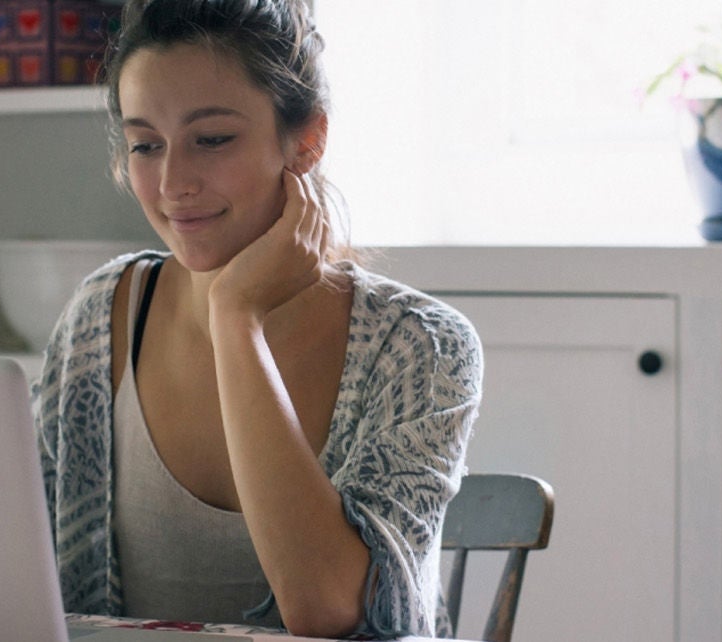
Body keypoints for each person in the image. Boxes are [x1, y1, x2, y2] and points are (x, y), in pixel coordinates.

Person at [32, 0, 483, 637]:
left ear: (306, 140)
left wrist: (236, 317)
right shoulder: (97, 319)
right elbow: (14, 570)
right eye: (145, 145)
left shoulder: (421, 349)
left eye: (211, 139)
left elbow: (328, 612)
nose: (172, 183)